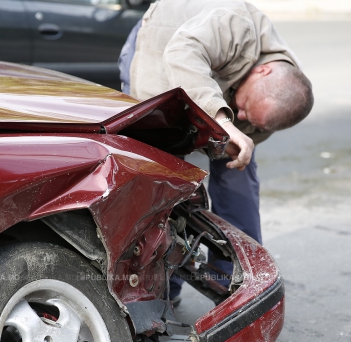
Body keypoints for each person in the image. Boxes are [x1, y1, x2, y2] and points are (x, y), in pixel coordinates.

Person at [119, 0, 314, 302]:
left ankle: (237, 289)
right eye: (246, 110)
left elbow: (239, 137)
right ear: (262, 71)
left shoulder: (281, 98)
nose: (245, 118)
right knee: (161, 177)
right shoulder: (239, 27)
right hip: (161, 47)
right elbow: (181, 51)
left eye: (252, 120)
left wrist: (229, 146)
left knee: (238, 179)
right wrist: (223, 120)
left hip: (209, 74)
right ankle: (158, 292)